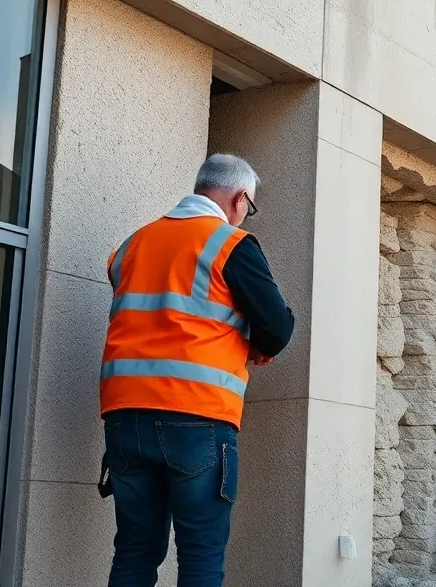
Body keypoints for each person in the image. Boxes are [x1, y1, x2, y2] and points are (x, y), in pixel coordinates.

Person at [97, 153, 295, 586]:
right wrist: (256, 344)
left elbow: (161, 317)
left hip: (125, 419)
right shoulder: (230, 244)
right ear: (240, 199)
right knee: (201, 557)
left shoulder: (131, 246)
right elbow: (277, 327)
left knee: (134, 552)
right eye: (249, 207)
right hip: (197, 418)